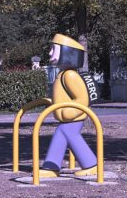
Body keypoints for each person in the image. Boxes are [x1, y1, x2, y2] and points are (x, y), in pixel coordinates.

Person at [39, 34, 97, 178]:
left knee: (69, 134)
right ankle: (51, 167)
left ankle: (91, 165)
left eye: (54, 49)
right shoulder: (63, 74)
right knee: (62, 134)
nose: (50, 53)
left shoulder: (70, 75)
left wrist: (67, 112)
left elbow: (82, 98)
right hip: (67, 118)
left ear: (66, 51)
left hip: (73, 117)